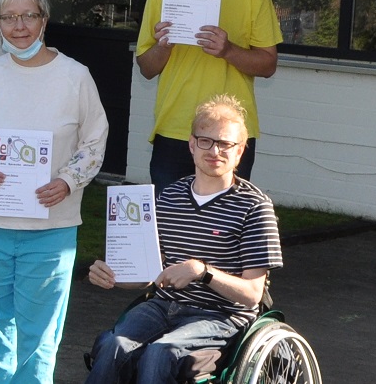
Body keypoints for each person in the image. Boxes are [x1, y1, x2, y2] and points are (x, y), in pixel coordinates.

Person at [0, 0, 107, 384]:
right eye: (9, 17)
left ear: (44, 19)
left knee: (40, 335)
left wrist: (68, 181)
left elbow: (94, 141)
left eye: (28, 16)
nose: (19, 26)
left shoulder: (75, 76)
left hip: (50, 228)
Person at [84, 94, 281, 384]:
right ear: (191, 144)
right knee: (114, 347)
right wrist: (112, 275)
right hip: (164, 305)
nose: (215, 151)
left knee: (160, 353)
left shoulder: (254, 207)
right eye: (206, 141)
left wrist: (202, 272)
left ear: (240, 151)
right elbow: (151, 276)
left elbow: (252, 293)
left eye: (226, 144)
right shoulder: (169, 198)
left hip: (221, 316)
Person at [136, 0, 282, 190]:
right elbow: (146, 69)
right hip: (174, 129)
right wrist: (163, 46)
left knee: (224, 229)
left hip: (229, 133)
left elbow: (268, 64)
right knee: (171, 230)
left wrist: (228, 50)